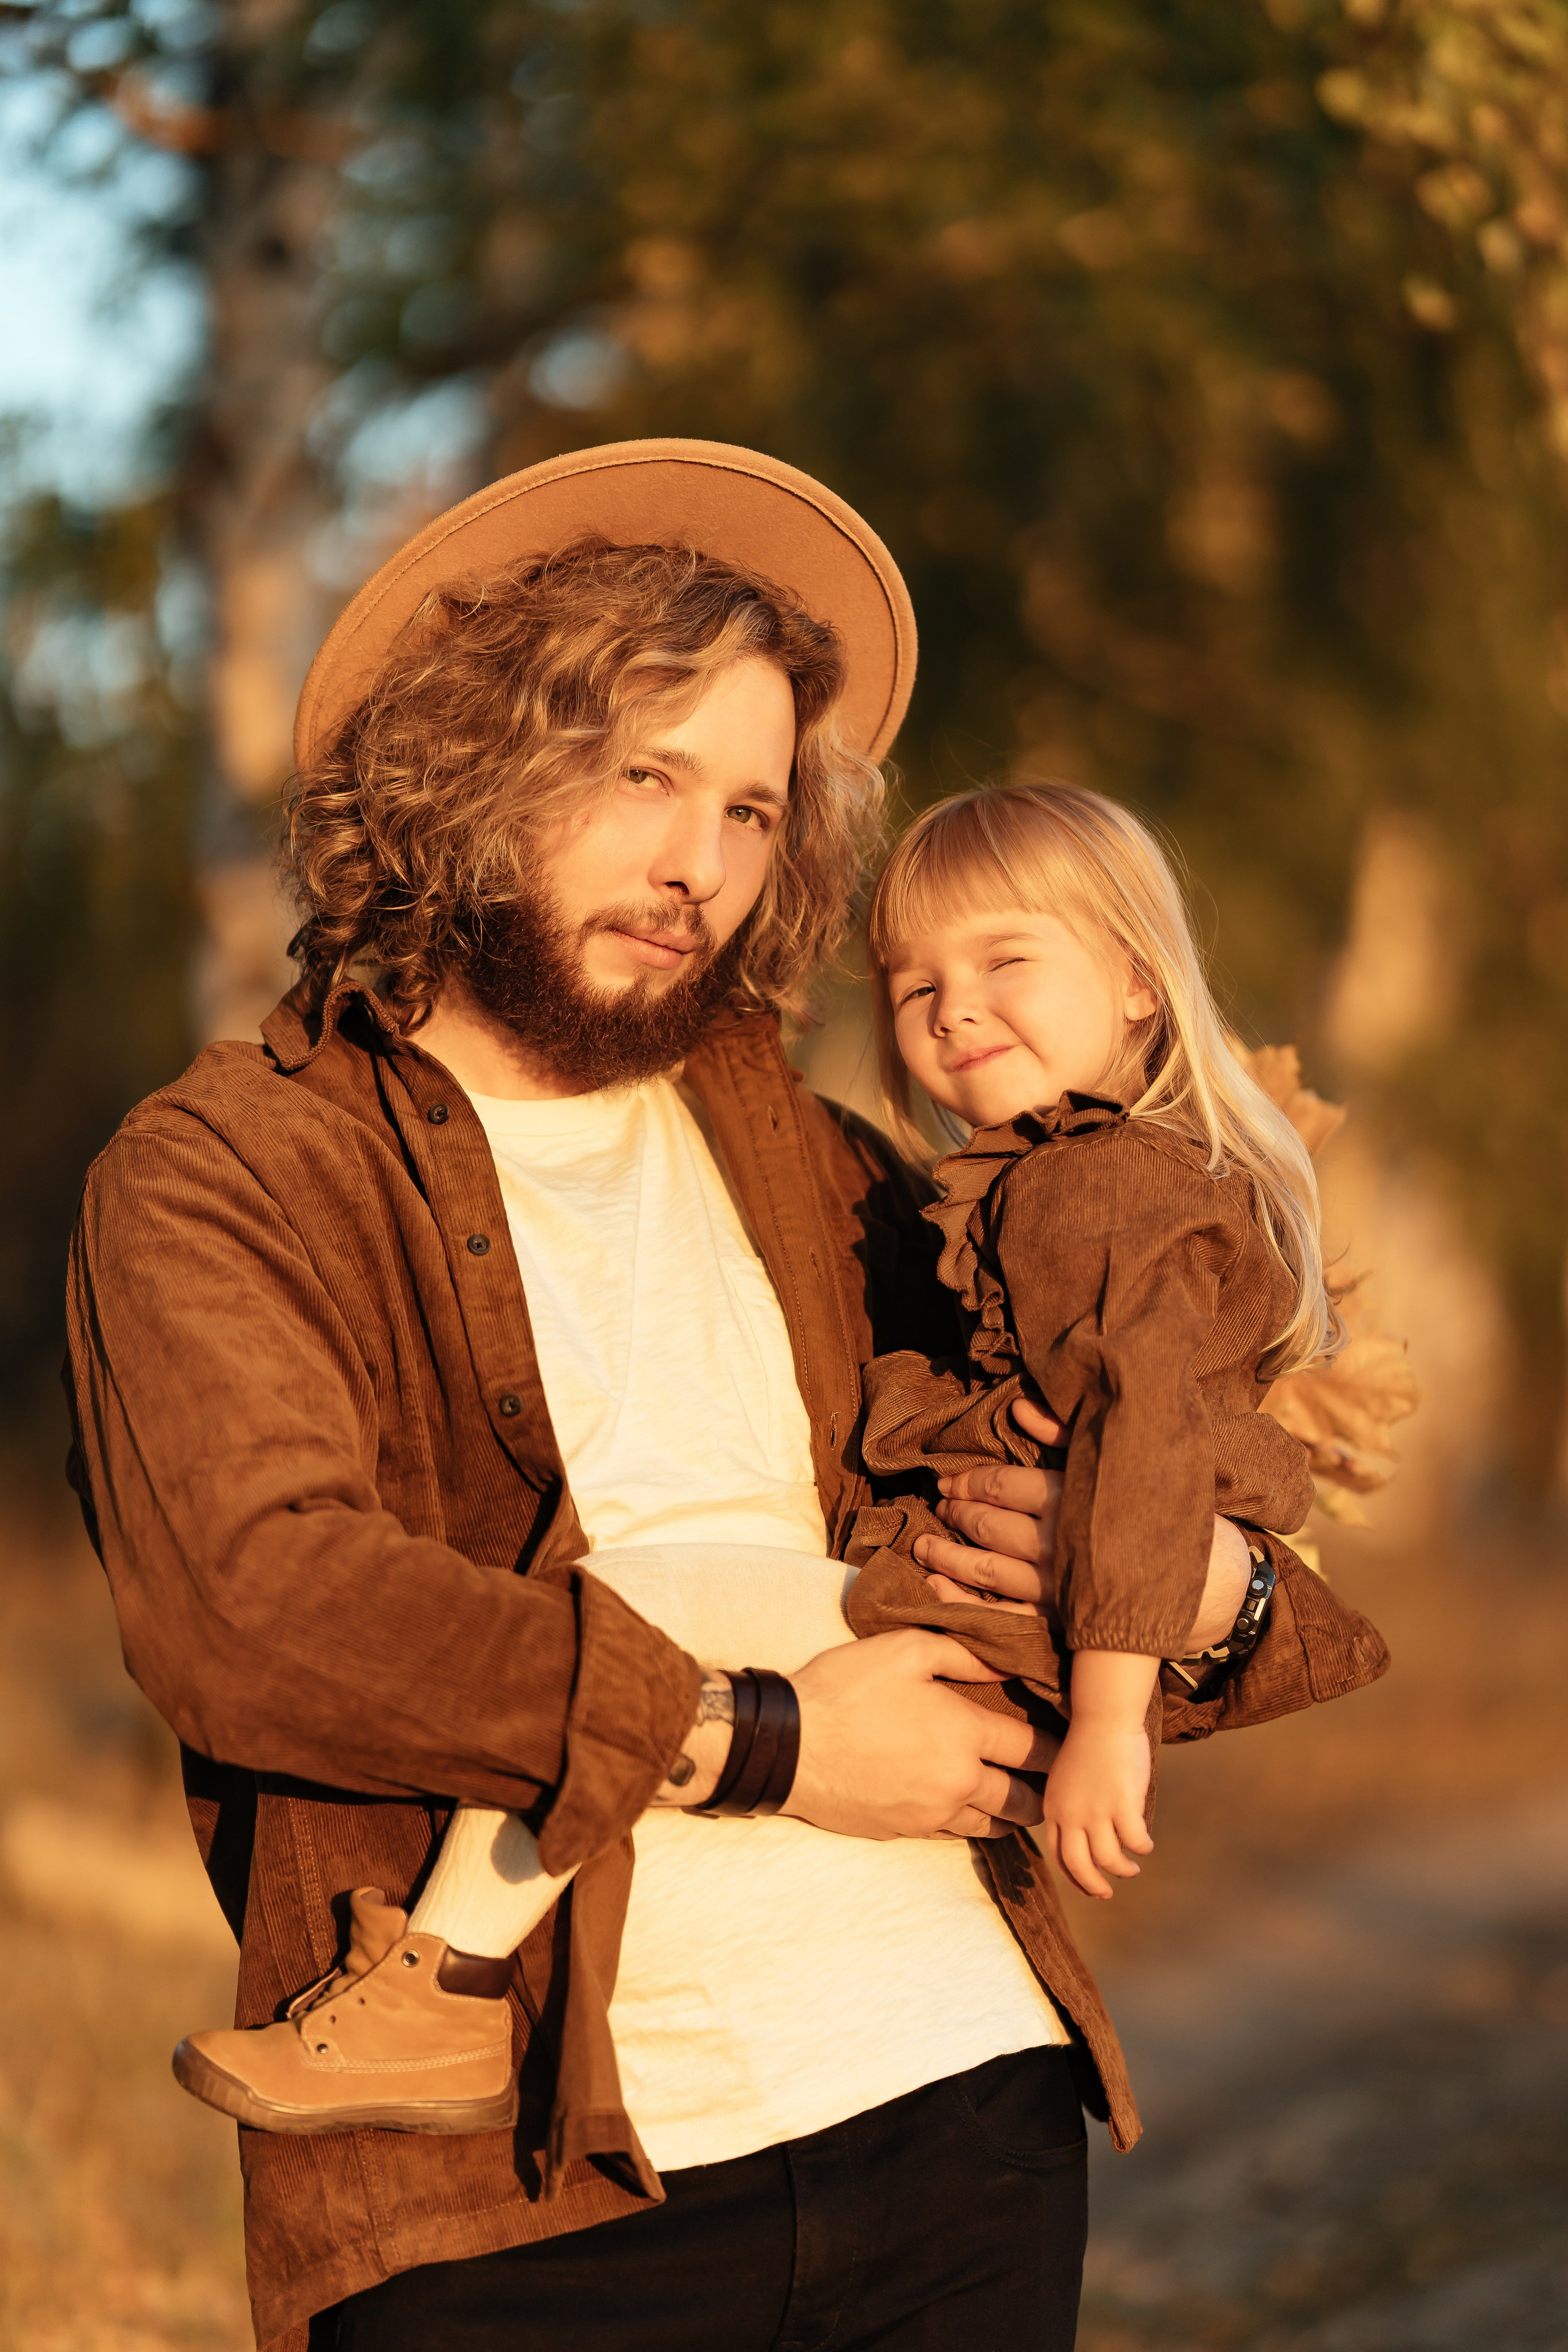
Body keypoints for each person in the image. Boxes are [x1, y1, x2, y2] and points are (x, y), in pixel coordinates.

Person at [63, 442, 1388, 2352]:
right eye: (642, 779)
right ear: (469, 760)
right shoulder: (227, 1172)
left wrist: (1214, 1601)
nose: (701, 864)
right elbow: (256, 1610)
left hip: (954, 2096)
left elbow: (1167, 1521)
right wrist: (763, 1740)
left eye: (756, 809)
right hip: (497, 2192)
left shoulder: (823, 1160)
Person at [846, 780, 1339, 1905]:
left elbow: (1140, 1432)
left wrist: (1115, 1722)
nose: (952, 1009)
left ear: (1135, 981)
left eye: (1003, 961)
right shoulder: (1140, 1166)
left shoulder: (1086, 1181)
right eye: (917, 982)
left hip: (1024, 1628)